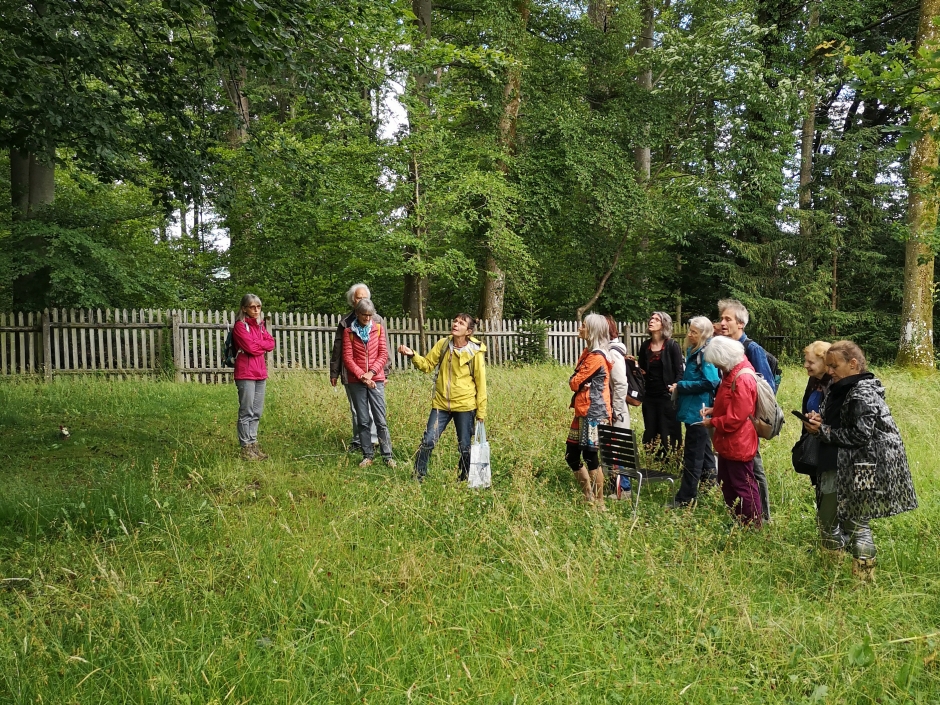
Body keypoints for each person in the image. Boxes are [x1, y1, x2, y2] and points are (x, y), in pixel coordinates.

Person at [802, 341, 917, 577]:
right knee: (835, 521)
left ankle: (862, 580)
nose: (830, 371)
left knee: (850, 523)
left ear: (853, 364)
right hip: (841, 464)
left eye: (834, 366)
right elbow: (840, 421)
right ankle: (833, 574)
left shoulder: (862, 392)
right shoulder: (842, 388)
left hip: (856, 467)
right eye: (828, 365)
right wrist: (820, 420)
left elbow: (860, 435)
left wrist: (822, 431)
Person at [398, 314, 487, 482]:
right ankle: (418, 476)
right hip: (441, 405)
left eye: (461, 323)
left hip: (465, 406)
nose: (456, 324)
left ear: (468, 331)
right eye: (455, 321)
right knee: (428, 441)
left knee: (465, 447)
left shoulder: (475, 352)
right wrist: (412, 355)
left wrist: (481, 413)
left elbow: (481, 384)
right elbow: (427, 366)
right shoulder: (443, 344)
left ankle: (465, 478)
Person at [717, 299, 775, 521]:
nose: (722, 323)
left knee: (753, 471)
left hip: (747, 424)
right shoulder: (726, 348)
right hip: (731, 423)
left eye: (728, 319)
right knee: (736, 473)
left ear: (740, 323)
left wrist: (747, 414)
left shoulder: (752, 349)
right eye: (721, 318)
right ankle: (741, 516)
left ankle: (762, 517)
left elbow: (767, 388)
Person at [701, 335, 762, 526]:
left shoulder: (742, 378)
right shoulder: (732, 372)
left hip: (739, 442)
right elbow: (732, 404)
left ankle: (752, 525)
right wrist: (714, 410)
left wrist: (713, 422)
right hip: (728, 441)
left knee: (743, 486)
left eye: (717, 363)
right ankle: (738, 521)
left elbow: (737, 416)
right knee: (727, 483)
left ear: (725, 358)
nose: (716, 366)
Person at [330, 283, 390, 454]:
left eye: (365, 297)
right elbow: (339, 350)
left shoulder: (378, 322)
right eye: (358, 297)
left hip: (375, 374)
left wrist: (383, 373)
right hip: (352, 375)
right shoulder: (346, 323)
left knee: (377, 413)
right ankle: (360, 443)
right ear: (353, 300)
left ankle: (376, 443)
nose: (362, 300)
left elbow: (384, 350)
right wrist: (334, 372)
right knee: (358, 410)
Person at [668, 316, 720, 507]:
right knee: (704, 451)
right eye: (690, 330)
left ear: (704, 334)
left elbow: (712, 381)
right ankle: (710, 487)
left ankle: (685, 498)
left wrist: (682, 386)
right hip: (692, 409)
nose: (689, 334)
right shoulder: (693, 350)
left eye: (694, 332)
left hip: (699, 411)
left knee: (692, 455)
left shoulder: (706, 353)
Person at [794, 341, 839, 548]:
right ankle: (827, 544)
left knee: (832, 500)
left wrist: (822, 423)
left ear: (825, 362)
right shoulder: (813, 381)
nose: (806, 365)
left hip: (832, 449)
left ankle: (834, 545)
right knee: (821, 493)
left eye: (810, 362)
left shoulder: (836, 383)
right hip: (815, 443)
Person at [342, 299, 396, 468]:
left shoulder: (378, 329)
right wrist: (362, 376)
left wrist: (371, 373)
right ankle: (368, 455)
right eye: (364, 315)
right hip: (356, 381)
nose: (367, 318)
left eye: (370, 315)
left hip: (376, 379)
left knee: (380, 419)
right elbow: (348, 358)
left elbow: (383, 354)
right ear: (357, 314)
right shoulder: (349, 332)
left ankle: (388, 456)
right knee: (363, 420)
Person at [566, 314, 612, 509]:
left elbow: (574, 382)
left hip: (594, 413)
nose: (580, 328)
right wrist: (577, 381)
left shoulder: (597, 357)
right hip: (582, 410)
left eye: (584, 326)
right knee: (571, 455)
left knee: (591, 457)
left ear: (592, 331)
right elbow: (575, 380)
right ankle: (588, 496)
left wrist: (578, 382)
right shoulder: (588, 353)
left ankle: (600, 502)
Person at [232, 293, 276, 460]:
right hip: (245, 373)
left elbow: (271, 343)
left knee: (257, 411)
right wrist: (260, 346)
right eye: (252, 307)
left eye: (258, 307)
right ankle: (246, 447)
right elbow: (250, 348)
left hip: (260, 372)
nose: (256, 310)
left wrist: (258, 345)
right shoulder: (240, 326)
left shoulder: (260, 325)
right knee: (247, 411)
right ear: (244, 308)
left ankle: (253, 443)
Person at [638, 311, 684, 457]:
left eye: (656, 319)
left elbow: (679, 371)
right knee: (651, 429)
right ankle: (652, 460)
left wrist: (675, 387)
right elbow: (642, 371)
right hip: (649, 396)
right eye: (651, 318)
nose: (651, 321)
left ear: (664, 325)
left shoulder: (672, 345)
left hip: (666, 397)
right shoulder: (645, 346)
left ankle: (671, 459)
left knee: (668, 430)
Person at [605, 316, 631, 500]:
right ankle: (613, 486)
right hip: (609, 409)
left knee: (618, 449)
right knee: (610, 448)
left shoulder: (613, 353)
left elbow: (621, 383)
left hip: (615, 412)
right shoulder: (606, 350)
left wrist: (616, 409)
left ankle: (624, 489)